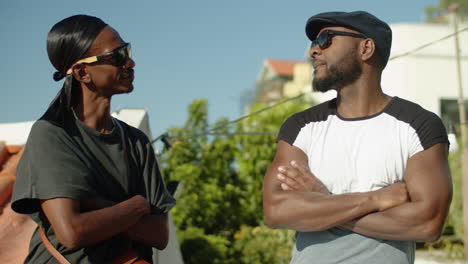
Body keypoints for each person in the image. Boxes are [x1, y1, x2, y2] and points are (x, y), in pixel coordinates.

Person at [263, 11, 452, 264]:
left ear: (366, 48)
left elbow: (427, 223)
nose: (314, 51)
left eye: (326, 39)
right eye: (313, 43)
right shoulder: (300, 127)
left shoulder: (419, 126)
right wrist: (374, 200)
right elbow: (276, 211)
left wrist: (323, 200)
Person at [11, 15, 175, 264]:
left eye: (127, 50)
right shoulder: (52, 134)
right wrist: (136, 207)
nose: (130, 62)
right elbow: (72, 233)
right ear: (82, 72)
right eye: (118, 56)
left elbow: (160, 234)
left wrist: (98, 206)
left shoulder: (136, 142)